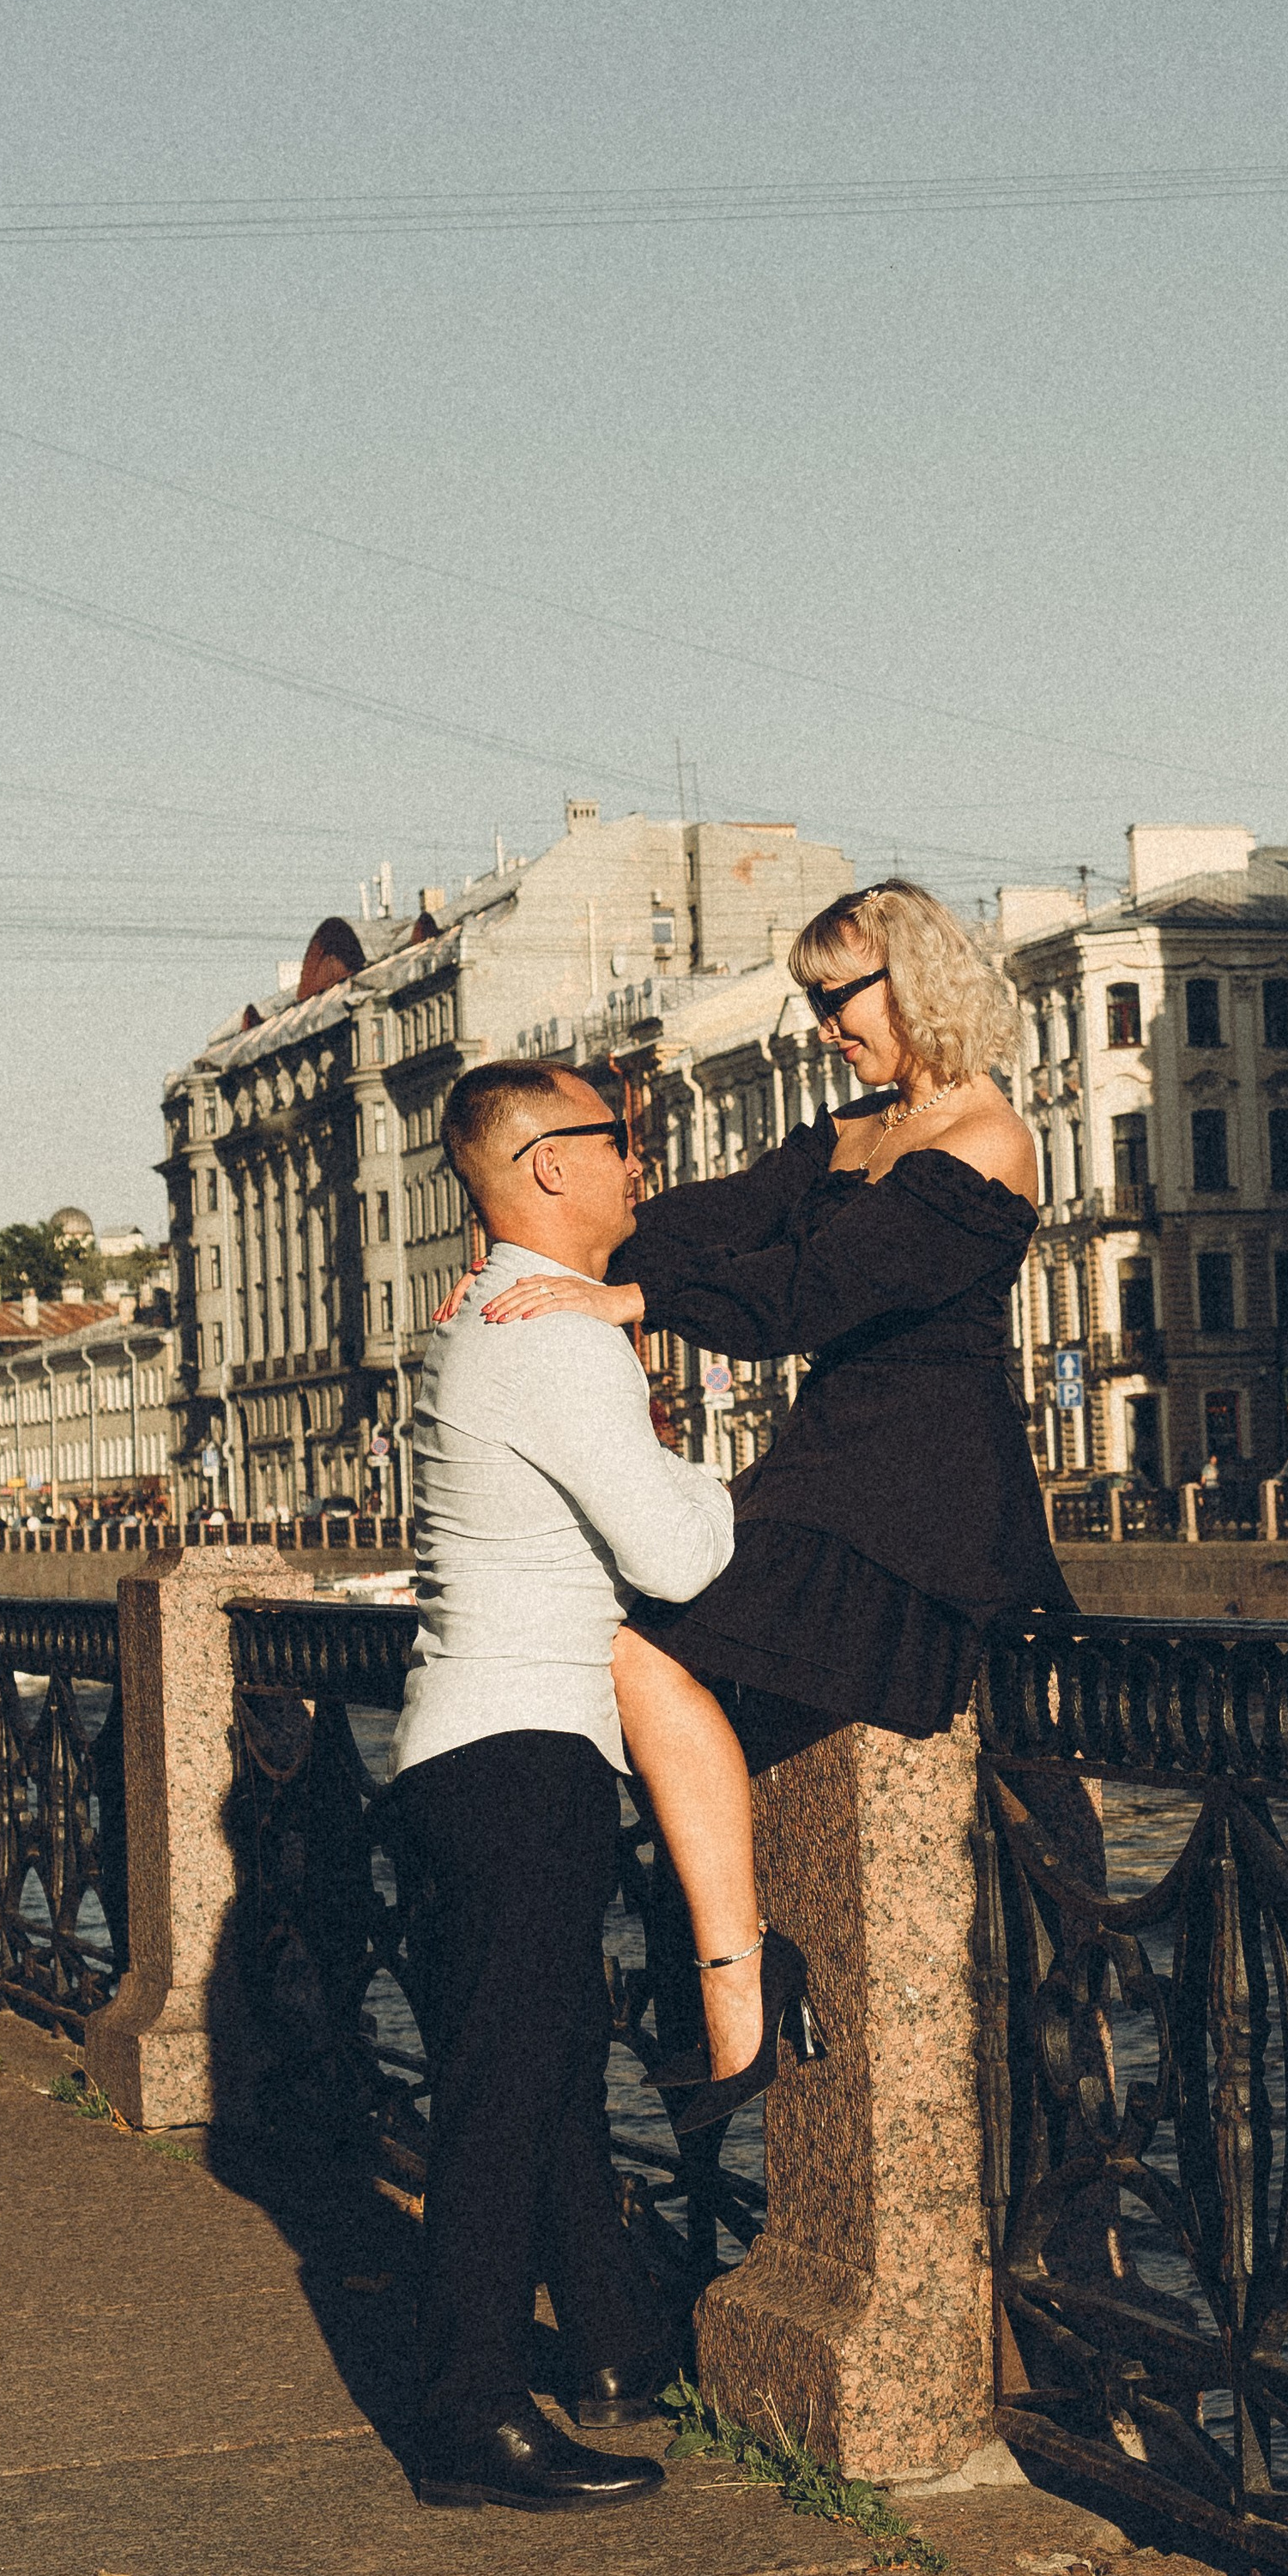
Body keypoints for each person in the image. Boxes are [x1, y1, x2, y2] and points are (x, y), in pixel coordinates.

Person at [462, 881, 1071, 2127]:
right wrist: (538, 1259)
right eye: (813, 1004)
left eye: (837, 999)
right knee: (638, 1647)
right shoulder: (853, 1130)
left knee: (644, 1650)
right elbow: (713, 1220)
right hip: (827, 1472)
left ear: (914, 980)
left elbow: (809, 1292)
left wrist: (628, 1302)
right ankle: (732, 1974)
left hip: (924, 1503)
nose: (823, 1028)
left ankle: (736, 1986)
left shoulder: (988, 1142)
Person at [390, 1060, 736, 2513]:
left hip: (463, 1751)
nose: (638, 1163)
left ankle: (610, 2342)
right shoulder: (554, 1341)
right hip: (525, 1756)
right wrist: (717, 1478)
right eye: (619, 1139)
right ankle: (469, 2415)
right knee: (505, 2092)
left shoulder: (487, 1318)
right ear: (546, 1164)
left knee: (549, 2078)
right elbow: (679, 1557)